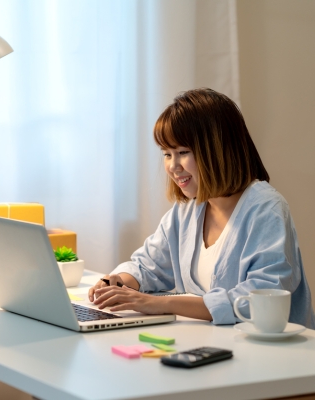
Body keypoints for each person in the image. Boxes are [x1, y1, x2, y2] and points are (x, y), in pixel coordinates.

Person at [88, 88, 315, 328]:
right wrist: (116, 282)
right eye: (167, 154)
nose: (173, 166)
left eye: (183, 152)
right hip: (214, 345)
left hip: (270, 354)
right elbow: (147, 266)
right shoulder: (185, 211)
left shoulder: (266, 210)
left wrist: (160, 304)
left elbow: (259, 300)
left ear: (217, 150)